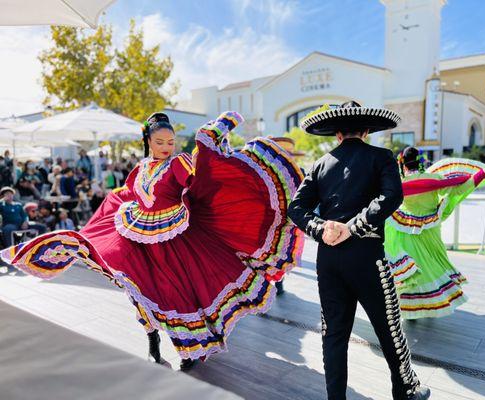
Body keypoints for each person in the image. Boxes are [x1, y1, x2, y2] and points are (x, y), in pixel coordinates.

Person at [1, 111, 304, 371]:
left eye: (170, 142)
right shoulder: (139, 169)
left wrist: (210, 139)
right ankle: (153, 341)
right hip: (137, 235)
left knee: (175, 293)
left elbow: (202, 181)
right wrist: (96, 225)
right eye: (160, 142)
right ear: (147, 140)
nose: (166, 147)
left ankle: (188, 347)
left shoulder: (178, 164)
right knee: (138, 290)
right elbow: (126, 195)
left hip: (176, 239)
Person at [288, 101, 430, 400]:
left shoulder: (320, 164)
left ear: (337, 134)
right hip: (366, 256)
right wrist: (353, 227)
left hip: (328, 259)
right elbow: (392, 196)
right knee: (388, 326)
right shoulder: (381, 157)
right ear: (366, 131)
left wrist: (322, 228)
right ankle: (406, 391)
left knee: (334, 333)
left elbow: (296, 208)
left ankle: (336, 397)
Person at [384, 147, 485, 319]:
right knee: (433, 262)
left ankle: (414, 307)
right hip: (430, 228)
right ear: (421, 161)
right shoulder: (434, 178)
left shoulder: (399, 181)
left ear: (402, 163)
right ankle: (432, 303)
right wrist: (479, 175)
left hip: (404, 226)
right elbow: (456, 190)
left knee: (411, 267)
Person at [269, 136, 306, 295]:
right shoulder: (266, 171)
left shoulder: (300, 173)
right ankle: (275, 284)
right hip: (276, 220)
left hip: (285, 221)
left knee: (280, 252)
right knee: (275, 252)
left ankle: (277, 283)